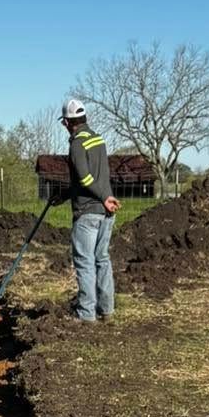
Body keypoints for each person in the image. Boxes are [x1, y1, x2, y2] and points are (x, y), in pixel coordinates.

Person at [61, 98, 118, 322]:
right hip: (106, 211)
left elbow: (85, 178)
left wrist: (103, 197)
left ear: (67, 122)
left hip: (88, 212)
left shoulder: (77, 143)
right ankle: (107, 310)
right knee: (102, 259)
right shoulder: (97, 139)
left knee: (84, 262)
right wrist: (65, 194)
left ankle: (86, 314)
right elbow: (95, 177)